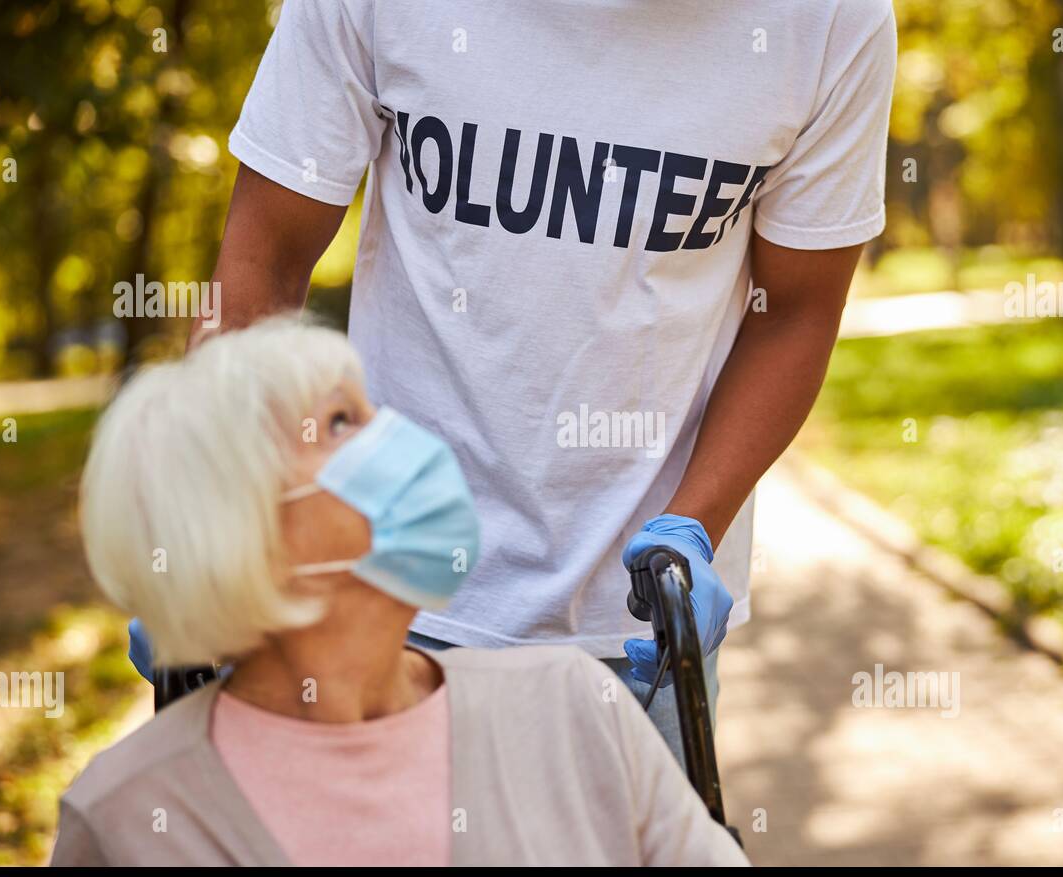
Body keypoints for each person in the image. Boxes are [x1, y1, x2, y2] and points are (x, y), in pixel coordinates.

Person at [130, 0, 898, 760]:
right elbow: (264, 262)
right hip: (367, 593)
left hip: (637, 645)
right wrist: (215, 520)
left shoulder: (830, 20)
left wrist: (694, 527)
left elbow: (792, 312)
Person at [52, 320, 747, 866]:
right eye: (341, 423)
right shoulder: (126, 816)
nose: (397, 438)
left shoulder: (577, 706)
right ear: (237, 524)